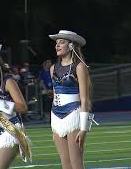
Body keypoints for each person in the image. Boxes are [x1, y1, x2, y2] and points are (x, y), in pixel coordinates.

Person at [49, 30, 94, 169]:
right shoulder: (52, 68)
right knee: (65, 165)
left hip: (73, 116)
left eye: (61, 42)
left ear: (71, 46)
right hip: (56, 117)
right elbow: (55, 95)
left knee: (76, 164)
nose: (57, 45)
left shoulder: (79, 67)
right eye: (56, 43)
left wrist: (84, 129)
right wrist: (53, 125)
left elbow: (85, 99)